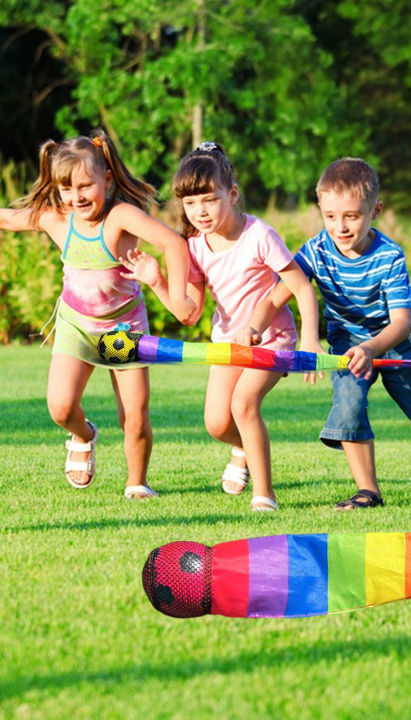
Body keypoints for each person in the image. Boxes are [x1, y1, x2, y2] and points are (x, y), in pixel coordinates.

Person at [256, 157, 411, 510]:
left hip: (403, 340)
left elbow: (400, 322)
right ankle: (369, 492)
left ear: (375, 210)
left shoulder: (389, 256)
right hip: (347, 341)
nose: (341, 227)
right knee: (348, 405)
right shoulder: (315, 251)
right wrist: (253, 327)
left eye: (352, 216)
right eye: (331, 216)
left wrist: (369, 347)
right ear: (320, 208)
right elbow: (277, 295)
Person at [121, 142, 320, 512]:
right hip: (228, 341)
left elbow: (300, 286)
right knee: (215, 423)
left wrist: (309, 337)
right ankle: (244, 448)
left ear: (231, 194)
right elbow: (189, 313)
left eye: (209, 200)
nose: (200, 211)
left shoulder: (258, 234)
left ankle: (264, 496)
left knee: (244, 405)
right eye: (191, 204)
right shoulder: (194, 246)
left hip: (273, 340)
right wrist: (156, 281)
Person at [0, 129, 195, 498]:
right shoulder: (57, 219)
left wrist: (180, 296)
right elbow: (9, 219)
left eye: (85, 186)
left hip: (120, 331)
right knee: (60, 407)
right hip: (76, 325)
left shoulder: (120, 217)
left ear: (106, 180)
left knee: (133, 419)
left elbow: (173, 243)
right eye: (67, 189)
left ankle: (137, 483)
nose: (76, 197)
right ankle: (83, 434)